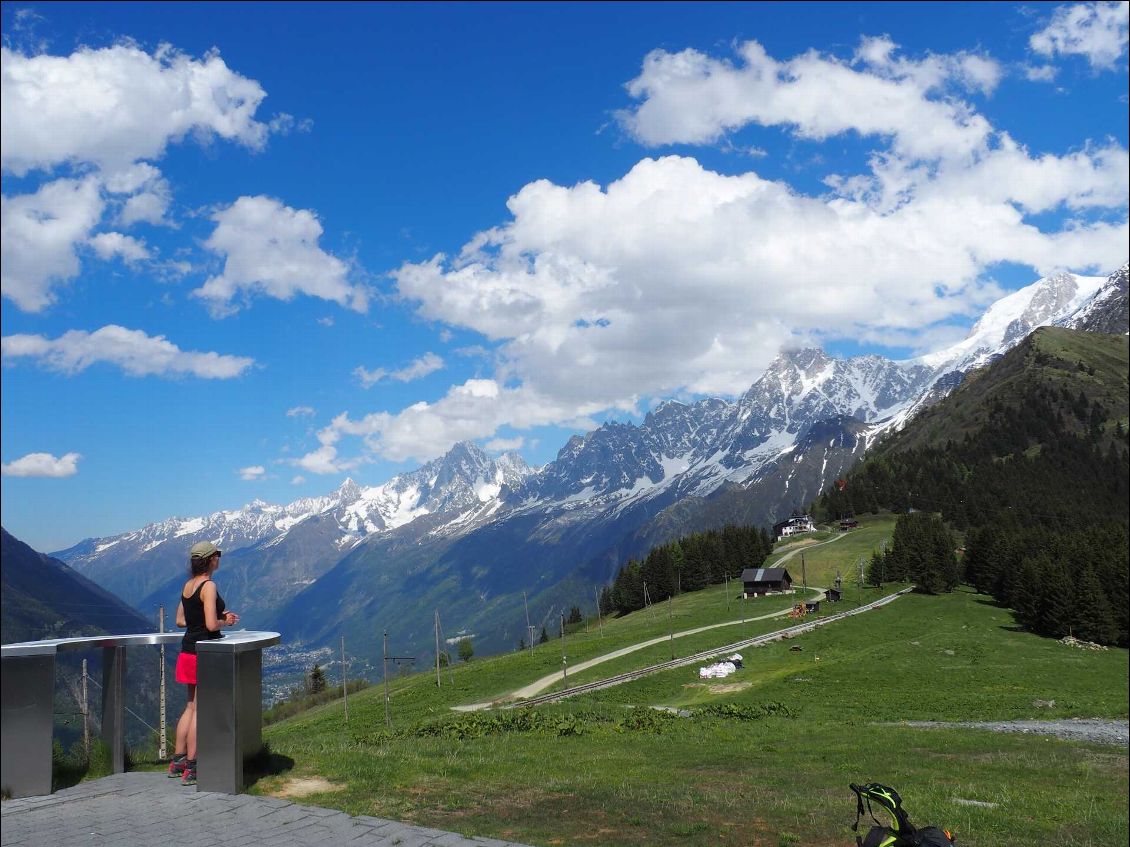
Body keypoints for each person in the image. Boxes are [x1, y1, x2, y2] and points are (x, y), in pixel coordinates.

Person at [169, 541, 239, 785]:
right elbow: (210, 626)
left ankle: (177, 760)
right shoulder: (208, 586)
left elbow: (180, 620)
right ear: (211, 559)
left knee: (189, 707)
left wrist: (205, 619)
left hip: (187, 651)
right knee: (200, 709)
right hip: (204, 653)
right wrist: (225, 620)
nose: (219, 559)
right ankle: (193, 765)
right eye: (217, 555)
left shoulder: (188, 586)